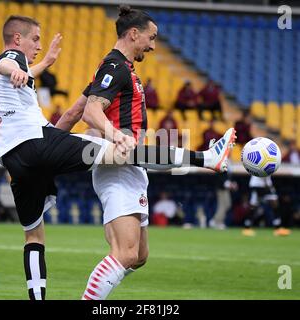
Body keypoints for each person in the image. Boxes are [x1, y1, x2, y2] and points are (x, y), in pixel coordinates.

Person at [56, 5, 237, 300]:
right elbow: (90, 112)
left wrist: (50, 142)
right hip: (118, 162)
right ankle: (207, 159)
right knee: (124, 253)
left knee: (138, 255)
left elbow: (74, 110)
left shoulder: (120, 69)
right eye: (151, 38)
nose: (153, 46)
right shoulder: (114, 67)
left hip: (131, 164)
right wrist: (114, 135)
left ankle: (208, 159)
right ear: (134, 34)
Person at [0, 15, 139, 301]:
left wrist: (45, 64)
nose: (39, 45)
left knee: (33, 236)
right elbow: (9, 64)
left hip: (12, 159)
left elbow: (13, 72)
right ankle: (201, 159)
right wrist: (16, 68)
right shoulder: (11, 58)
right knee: (122, 150)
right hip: (36, 142)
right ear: (18, 39)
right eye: (35, 39)